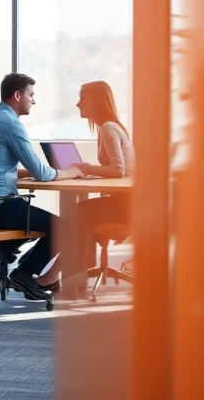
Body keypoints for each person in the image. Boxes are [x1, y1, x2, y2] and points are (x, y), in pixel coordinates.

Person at [0, 73, 82, 301]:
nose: (33, 100)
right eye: (31, 95)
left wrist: (31, 170)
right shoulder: (11, 125)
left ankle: (18, 259)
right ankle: (24, 273)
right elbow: (42, 173)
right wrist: (70, 172)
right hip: (2, 207)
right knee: (66, 228)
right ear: (17, 95)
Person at [73, 81, 135, 269]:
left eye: (82, 98)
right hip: (126, 200)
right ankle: (79, 268)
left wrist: (88, 169)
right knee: (79, 212)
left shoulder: (109, 128)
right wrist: (89, 171)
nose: (77, 104)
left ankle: (70, 271)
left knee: (75, 213)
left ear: (96, 101)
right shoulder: (106, 128)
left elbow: (118, 170)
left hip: (128, 206)